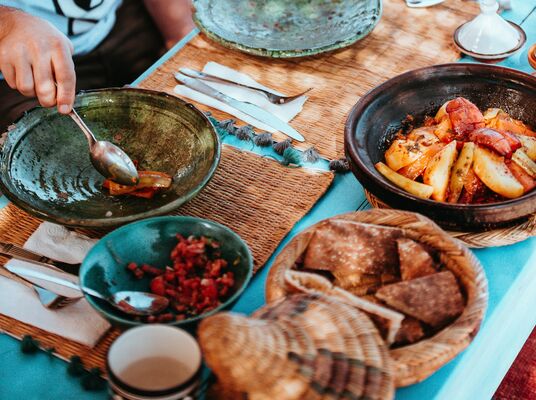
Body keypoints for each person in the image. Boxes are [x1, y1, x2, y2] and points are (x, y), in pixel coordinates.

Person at [0, 0, 194, 132]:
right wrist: (7, 25)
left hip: (122, 21)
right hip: (21, 67)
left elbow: (180, 28)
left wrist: (181, 35)